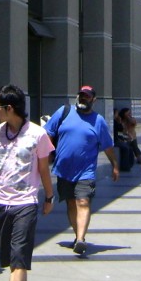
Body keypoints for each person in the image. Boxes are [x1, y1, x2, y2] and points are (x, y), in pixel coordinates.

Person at [0, 84, 55, 281]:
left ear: (9, 108)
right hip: (2, 201)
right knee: (8, 255)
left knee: (19, 255)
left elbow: (44, 169)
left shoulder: (37, 134)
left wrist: (48, 197)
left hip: (26, 202)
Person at [44, 85, 119, 257]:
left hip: (86, 171)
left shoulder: (98, 120)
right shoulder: (64, 111)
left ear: (94, 99)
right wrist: (47, 154)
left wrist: (114, 164)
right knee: (71, 203)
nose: (83, 98)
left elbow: (107, 146)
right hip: (64, 170)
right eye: (81, 96)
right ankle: (78, 236)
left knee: (83, 202)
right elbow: (47, 132)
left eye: (87, 96)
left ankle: (80, 239)